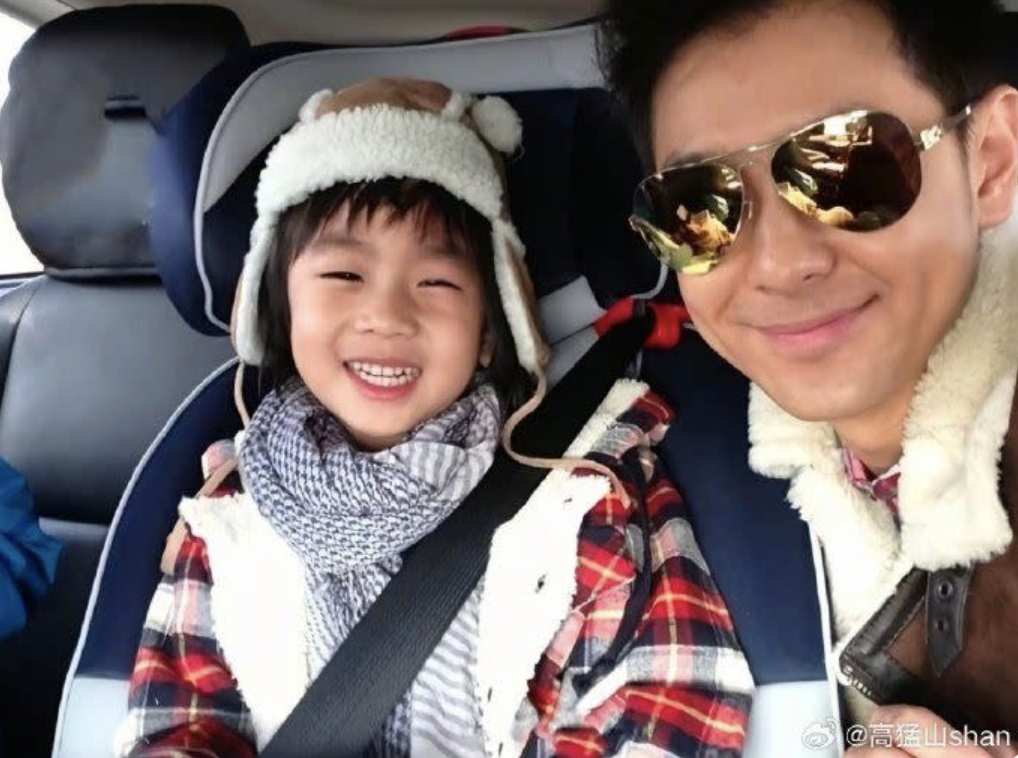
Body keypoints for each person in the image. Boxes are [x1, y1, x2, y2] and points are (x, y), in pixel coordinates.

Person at [113, 77, 754, 758]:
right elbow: (181, 724)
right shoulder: (231, 513)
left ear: (490, 331)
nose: (387, 315)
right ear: (280, 308)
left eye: (437, 282)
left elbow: (665, 708)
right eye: (343, 276)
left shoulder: (582, 494)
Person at [600, 0, 1018, 756]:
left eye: (850, 167)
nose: (778, 263)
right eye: (699, 204)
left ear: (989, 160)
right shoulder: (670, 468)